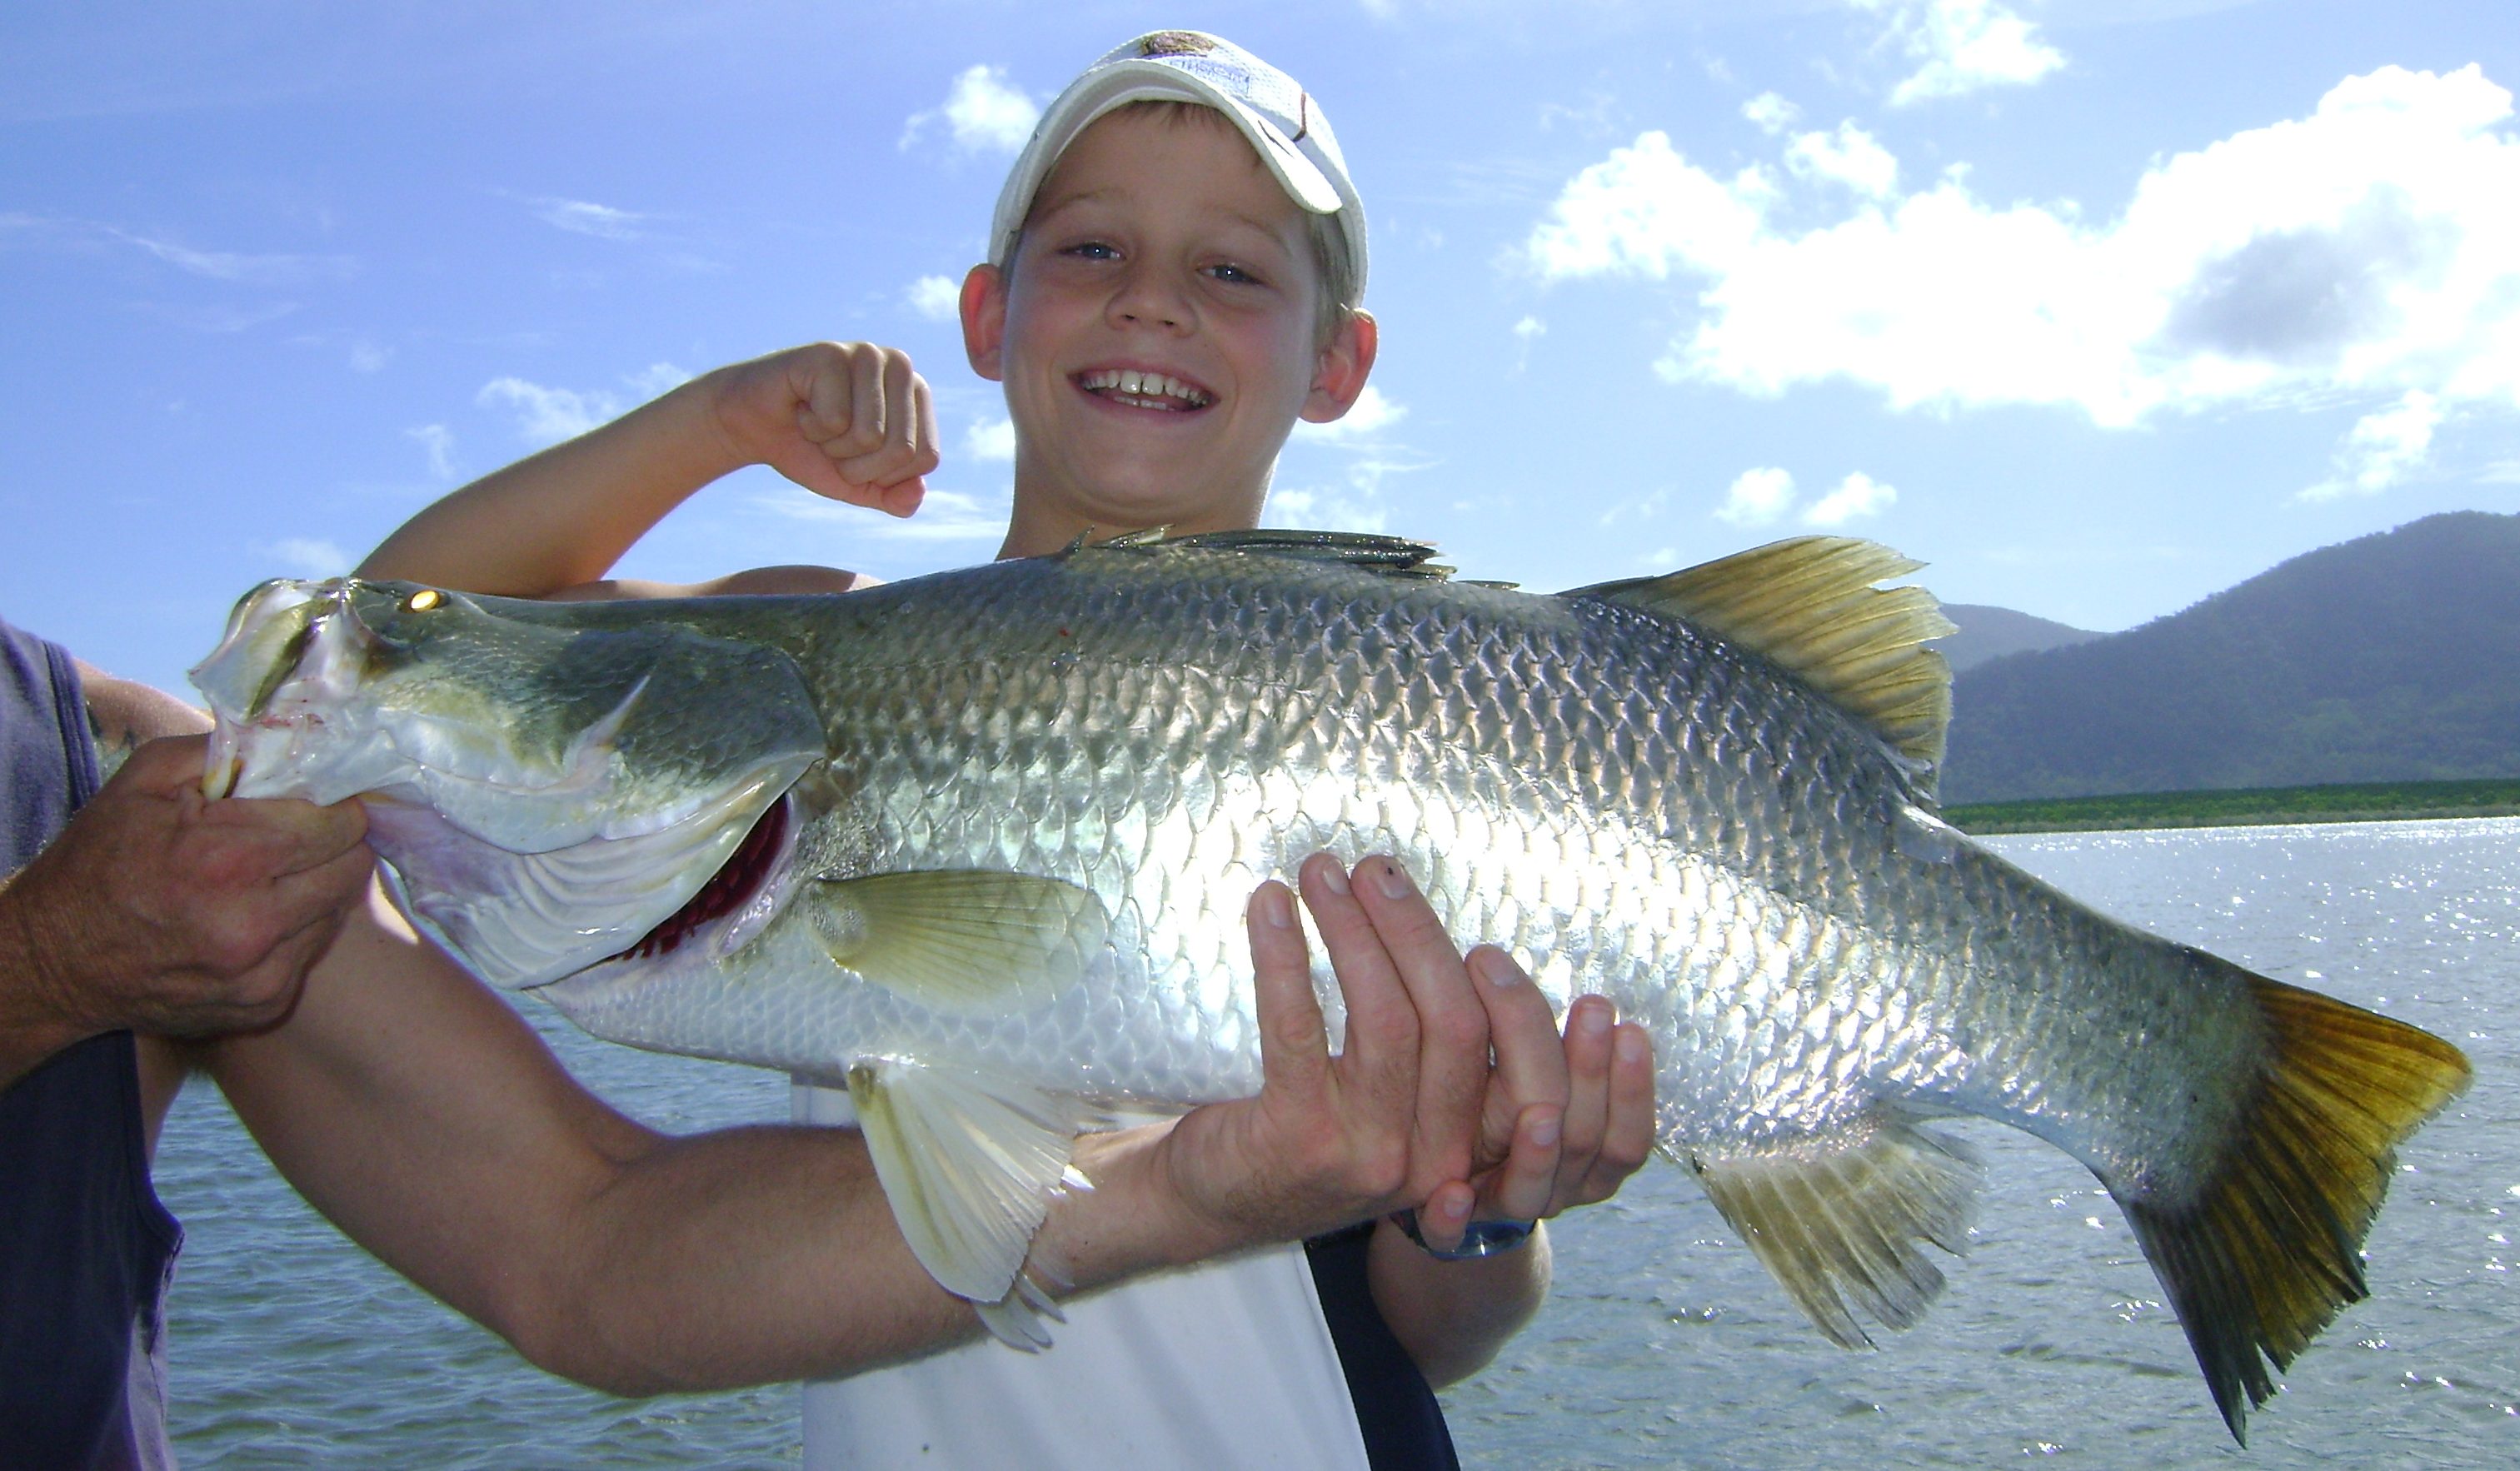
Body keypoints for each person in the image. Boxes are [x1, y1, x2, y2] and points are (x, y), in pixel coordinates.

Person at [357, 29, 1658, 1469]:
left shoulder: (1392, 733)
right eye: (1092, 249)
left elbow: (1436, 1337)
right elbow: (399, 646)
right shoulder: (804, 660)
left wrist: (1485, 1199)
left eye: (1230, 270)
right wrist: (717, 421)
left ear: (1336, 362)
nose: (1152, 303)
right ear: (988, 314)